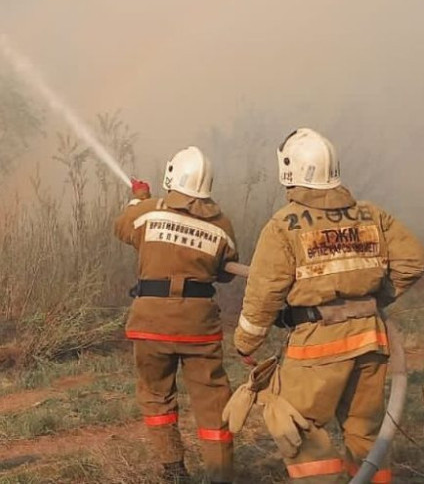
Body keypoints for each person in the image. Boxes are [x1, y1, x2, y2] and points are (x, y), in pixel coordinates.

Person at [234, 129, 424, 483]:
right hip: (371, 340)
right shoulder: (372, 215)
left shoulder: (283, 225)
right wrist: (372, 300)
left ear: (289, 169)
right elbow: (413, 261)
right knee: (366, 434)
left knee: (298, 426)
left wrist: (246, 342)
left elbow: (264, 292)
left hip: (317, 348)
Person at [116, 146, 238, 483]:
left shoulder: (149, 212)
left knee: (156, 396)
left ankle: (173, 469)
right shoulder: (222, 224)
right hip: (199, 327)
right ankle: (220, 475)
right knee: (214, 402)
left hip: (151, 323)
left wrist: (138, 198)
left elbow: (123, 228)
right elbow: (225, 271)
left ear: (172, 177)